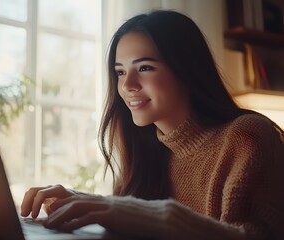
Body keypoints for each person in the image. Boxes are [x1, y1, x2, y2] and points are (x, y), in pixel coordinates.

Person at [21, 10, 284, 239]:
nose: (127, 85)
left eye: (145, 68)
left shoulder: (246, 136)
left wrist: (160, 218)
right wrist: (81, 200)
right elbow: (136, 218)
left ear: (186, 69)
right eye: (120, 71)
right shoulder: (143, 147)